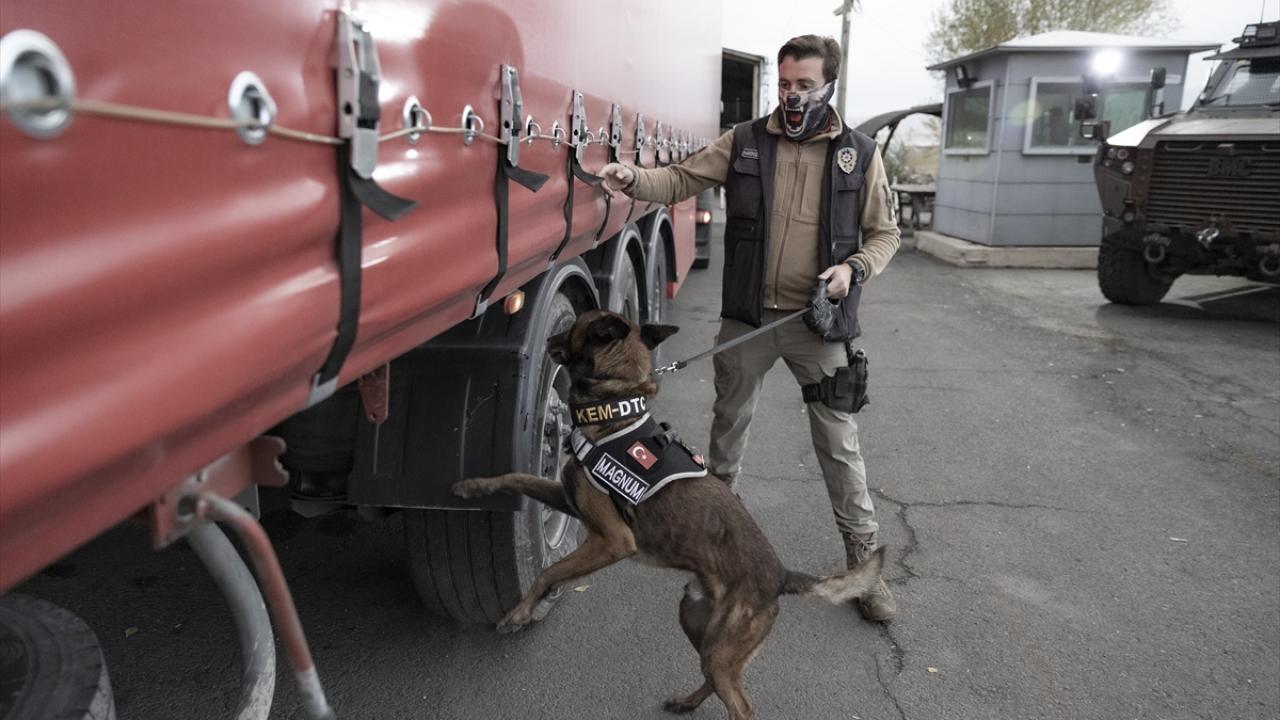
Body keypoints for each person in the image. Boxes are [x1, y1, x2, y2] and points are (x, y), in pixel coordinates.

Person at [598, 34, 901, 622]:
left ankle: (864, 568)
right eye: (784, 84)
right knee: (726, 441)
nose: (791, 95)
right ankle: (717, 558)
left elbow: (885, 233)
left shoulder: (859, 154)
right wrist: (632, 178)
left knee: (840, 446)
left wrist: (853, 268)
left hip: (818, 324)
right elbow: (680, 179)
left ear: (829, 85)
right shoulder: (745, 143)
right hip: (748, 323)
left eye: (804, 85)